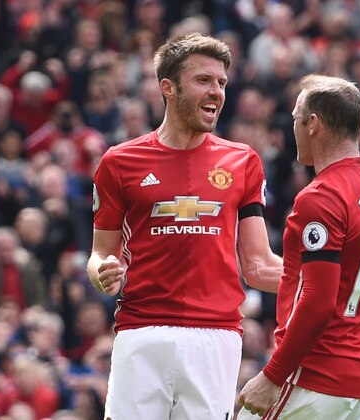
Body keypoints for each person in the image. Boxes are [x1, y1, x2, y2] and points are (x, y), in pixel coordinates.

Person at [86, 33, 283, 419]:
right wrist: (101, 272)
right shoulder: (119, 162)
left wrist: (329, 281)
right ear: (168, 88)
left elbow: (258, 264)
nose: (216, 92)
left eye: (222, 82)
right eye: (204, 80)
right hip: (141, 331)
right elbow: (101, 253)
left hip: (217, 337)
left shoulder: (243, 161)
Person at [237, 75, 360, 418]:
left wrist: (272, 376)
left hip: (312, 378)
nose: (292, 127)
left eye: (296, 118)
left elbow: (319, 300)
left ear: (313, 124)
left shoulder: (322, 196)